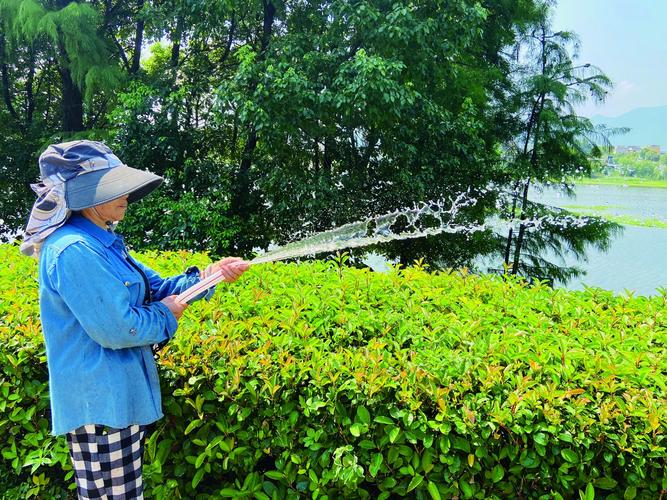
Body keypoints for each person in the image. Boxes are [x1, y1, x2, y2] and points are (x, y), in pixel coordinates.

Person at [21, 140, 249, 499]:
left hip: (116, 398)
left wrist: (212, 275)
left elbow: (158, 288)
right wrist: (166, 313)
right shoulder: (74, 250)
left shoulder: (102, 242)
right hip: (99, 406)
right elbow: (118, 328)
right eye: (114, 187)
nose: (126, 194)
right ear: (85, 196)